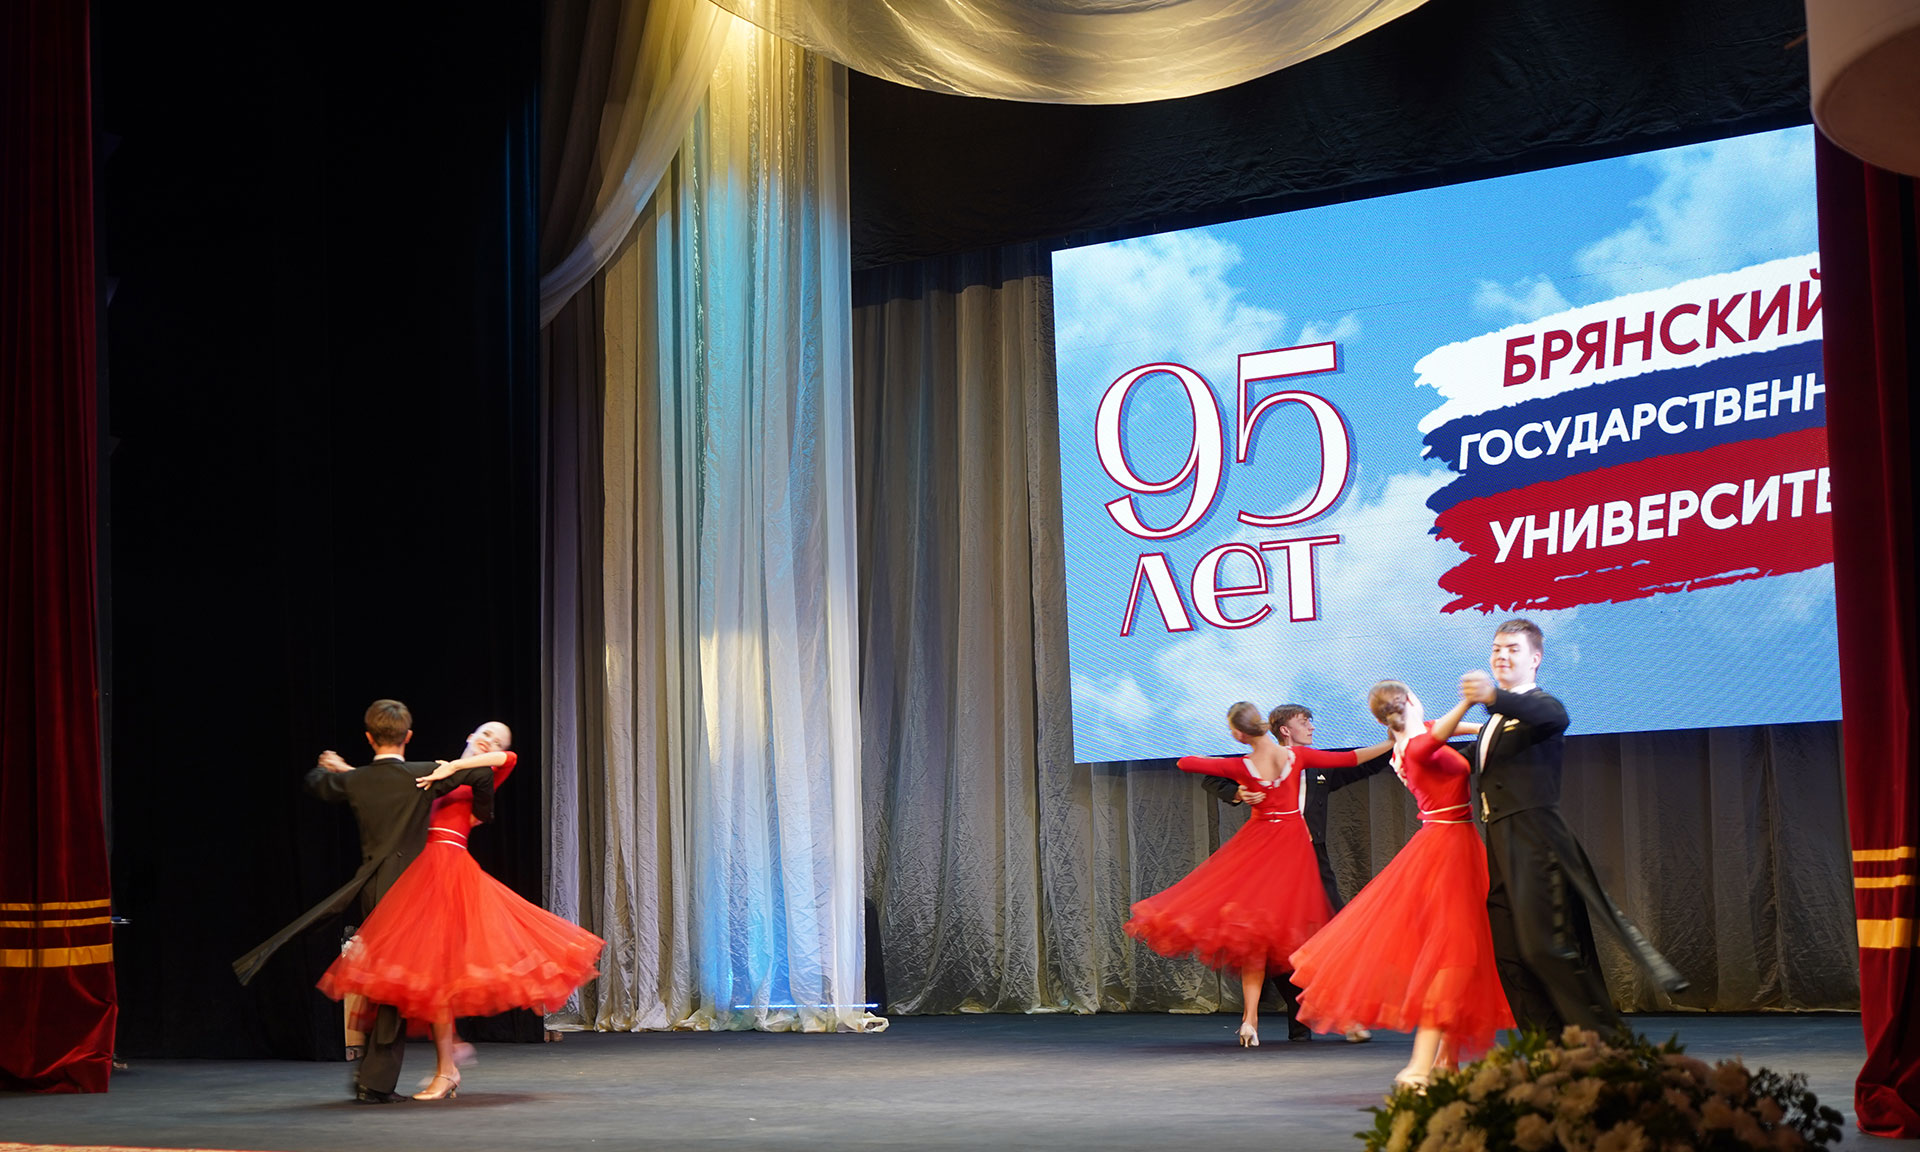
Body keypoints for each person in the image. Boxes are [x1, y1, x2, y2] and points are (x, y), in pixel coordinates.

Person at [318, 721, 604, 1101]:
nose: (490, 741)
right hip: (419, 872)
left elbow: (508, 758)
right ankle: (448, 1057)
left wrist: (452, 766)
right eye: (485, 734)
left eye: (497, 739)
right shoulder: (435, 772)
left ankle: (447, 1066)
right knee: (424, 973)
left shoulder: (478, 772)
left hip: (450, 871)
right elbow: (387, 789)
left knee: (436, 974)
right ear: (469, 735)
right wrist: (346, 770)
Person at [232, 699, 498, 1104]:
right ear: (408, 736)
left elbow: (316, 783)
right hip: (413, 891)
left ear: (370, 738)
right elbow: (481, 773)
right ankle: (377, 1080)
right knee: (391, 983)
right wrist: (478, 808)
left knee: (384, 979)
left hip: (373, 889)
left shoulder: (360, 781)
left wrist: (327, 767)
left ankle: (379, 1077)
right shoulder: (422, 775)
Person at [1461, 618, 1688, 1034]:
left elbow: (1552, 716)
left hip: (1533, 835)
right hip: (1499, 837)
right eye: (1496, 649)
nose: (1502, 656)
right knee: (1510, 954)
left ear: (1535, 659)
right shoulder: (1496, 721)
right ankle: (1546, 1051)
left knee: (1544, 949)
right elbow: (1466, 760)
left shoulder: (1539, 706)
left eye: (1513, 649)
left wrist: (1492, 697)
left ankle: (1607, 1045)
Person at [1125, 702, 1390, 1047]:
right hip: (1279, 859)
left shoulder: (1272, 764)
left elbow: (1186, 762)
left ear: (1239, 734)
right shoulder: (1293, 759)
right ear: (1282, 729)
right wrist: (1238, 791)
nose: (1312, 726)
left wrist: (1396, 743)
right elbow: (1352, 757)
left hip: (1290, 857)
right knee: (1273, 939)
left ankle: (1308, 1016)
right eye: (1305, 721)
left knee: (1313, 937)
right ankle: (1302, 1021)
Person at [1289, 681, 1511, 1089]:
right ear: (1409, 701)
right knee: (1454, 955)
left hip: (1451, 843)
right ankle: (1419, 1066)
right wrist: (1467, 701)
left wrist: (1489, 727)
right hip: (1447, 851)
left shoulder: (1410, 738)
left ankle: (1446, 1061)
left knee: (1463, 955)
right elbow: (1435, 736)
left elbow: (1439, 728)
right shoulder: (1415, 747)